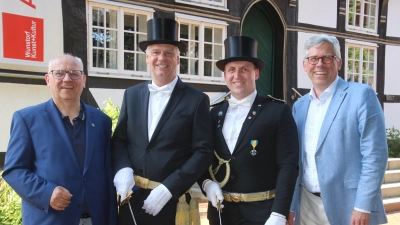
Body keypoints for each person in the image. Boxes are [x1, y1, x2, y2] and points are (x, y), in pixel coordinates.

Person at [112, 18, 213, 225]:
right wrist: (122, 168)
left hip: (171, 203)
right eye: (156, 52)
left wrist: (170, 187)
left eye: (169, 53)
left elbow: (203, 152)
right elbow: (120, 140)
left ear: (178, 59)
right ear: (147, 57)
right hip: (131, 199)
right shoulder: (131, 95)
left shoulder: (197, 100)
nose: (162, 58)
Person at [2, 54, 118, 225]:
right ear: (48, 79)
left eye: (74, 73)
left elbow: (107, 172)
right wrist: (46, 192)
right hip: (50, 219)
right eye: (59, 73)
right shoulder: (26, 119)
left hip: (96, 219)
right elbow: (14, 170)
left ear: (83, 80)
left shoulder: (102, 121)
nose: (67, 79)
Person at [288, 34, 388, 225]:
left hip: (350, 207)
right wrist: (292, 206)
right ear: (304, 65)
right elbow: (296, 162)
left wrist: (363, 206)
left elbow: (375, 156)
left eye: (327, 57)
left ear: (339, 62)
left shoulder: (361, 95)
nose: (320, 64)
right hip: (307, 205)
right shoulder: (299, 107)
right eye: (313, 58)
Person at [200, 36, 299, 225]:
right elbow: (201, 155)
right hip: (221, 213)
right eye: (231, 70)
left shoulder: (277, 111)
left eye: (244, 69)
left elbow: (288, 165)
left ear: (256, 73)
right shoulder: (213, 113)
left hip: (263, 213)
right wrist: (206, 183)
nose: (237, 75)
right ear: (225, 75)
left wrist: (280, 213)